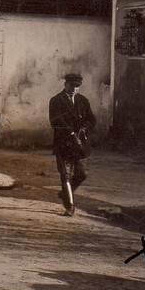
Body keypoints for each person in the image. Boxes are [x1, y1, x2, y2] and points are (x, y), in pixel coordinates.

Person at [48, 73, 96, 216]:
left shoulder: (83, 101)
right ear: (65, 85)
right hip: (64, 144)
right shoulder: (56, 101)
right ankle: (70, 206)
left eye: (77, 86)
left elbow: (92, 119)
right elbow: (55, 121)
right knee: (66, 175)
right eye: (72, 86)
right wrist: (71, 133)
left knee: (82, 174)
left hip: (80, 145)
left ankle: (64, 194)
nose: (75, 89)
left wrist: (84, 128)